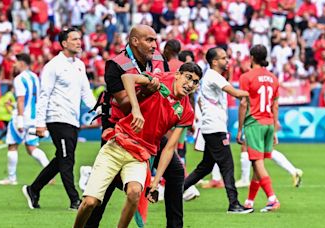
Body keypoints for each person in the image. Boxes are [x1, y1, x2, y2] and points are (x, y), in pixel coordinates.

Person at [74, 62, 202, 228]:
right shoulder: (159, 79)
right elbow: (127, 77)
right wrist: (135, 108)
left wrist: (156, 182)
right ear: (178, 74)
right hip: (118, 144)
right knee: (90, 203)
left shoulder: (186, 112)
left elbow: (169, 148)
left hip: (141, 155)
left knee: (134, 193)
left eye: (195, 82)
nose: (190, 84)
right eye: (188, 77)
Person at [84, 25, 185, 228]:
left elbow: (165, 93)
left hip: (147, 129)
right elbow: (124, 103)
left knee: (175, 171)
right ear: (134, 41)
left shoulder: (158, 59)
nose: (154, 45)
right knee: (109, 184)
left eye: (155, 40)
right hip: (118, 129)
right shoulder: (115, 65)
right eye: (149, 40)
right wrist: (147, 90)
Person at [22, 27, 96, 210]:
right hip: (56, 117)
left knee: (62, 158)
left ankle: (34, 189)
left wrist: (99, 109)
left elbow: (86, 93)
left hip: (72, 119)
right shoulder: (53, 66)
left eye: (80, 39)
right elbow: (44, 95)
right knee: (67, 158)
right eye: (74, 39)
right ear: (64, 43)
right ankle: (75, 200)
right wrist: (40, 123)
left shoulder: (79, 65)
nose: (79, 42)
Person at [183, 47, 253, 214]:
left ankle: (176, 190)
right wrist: (253, 93)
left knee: (206, 167)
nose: (226, 60)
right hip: (214, 127)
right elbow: (235, 93)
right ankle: (234, 204)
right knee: (227, 165)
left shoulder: (213, 76)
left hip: (213, 126)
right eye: (223, 58)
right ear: (214, 62)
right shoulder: (213, 76)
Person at [237, 44, 281, 212]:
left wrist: (240, 129)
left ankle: (272, 198)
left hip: (254, 123)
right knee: (258, 163)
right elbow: (275, 106)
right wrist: (275, 128)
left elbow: (243, 103)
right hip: (269, 123)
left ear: (252, 58)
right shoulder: (273, 78)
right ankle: (249, 201)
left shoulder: (246, 77)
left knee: (257, 161)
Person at [0, 53, 50, 185]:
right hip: (34, 117)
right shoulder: (35, 77)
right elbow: (33, 99)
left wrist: (19, 119)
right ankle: (49, 172)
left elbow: (21, 100)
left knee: (12, 146)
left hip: (21, 117)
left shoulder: (19, 78)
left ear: (21, 63)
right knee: (32, 147)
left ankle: (11, 179)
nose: (14, 65)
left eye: (15, 62)